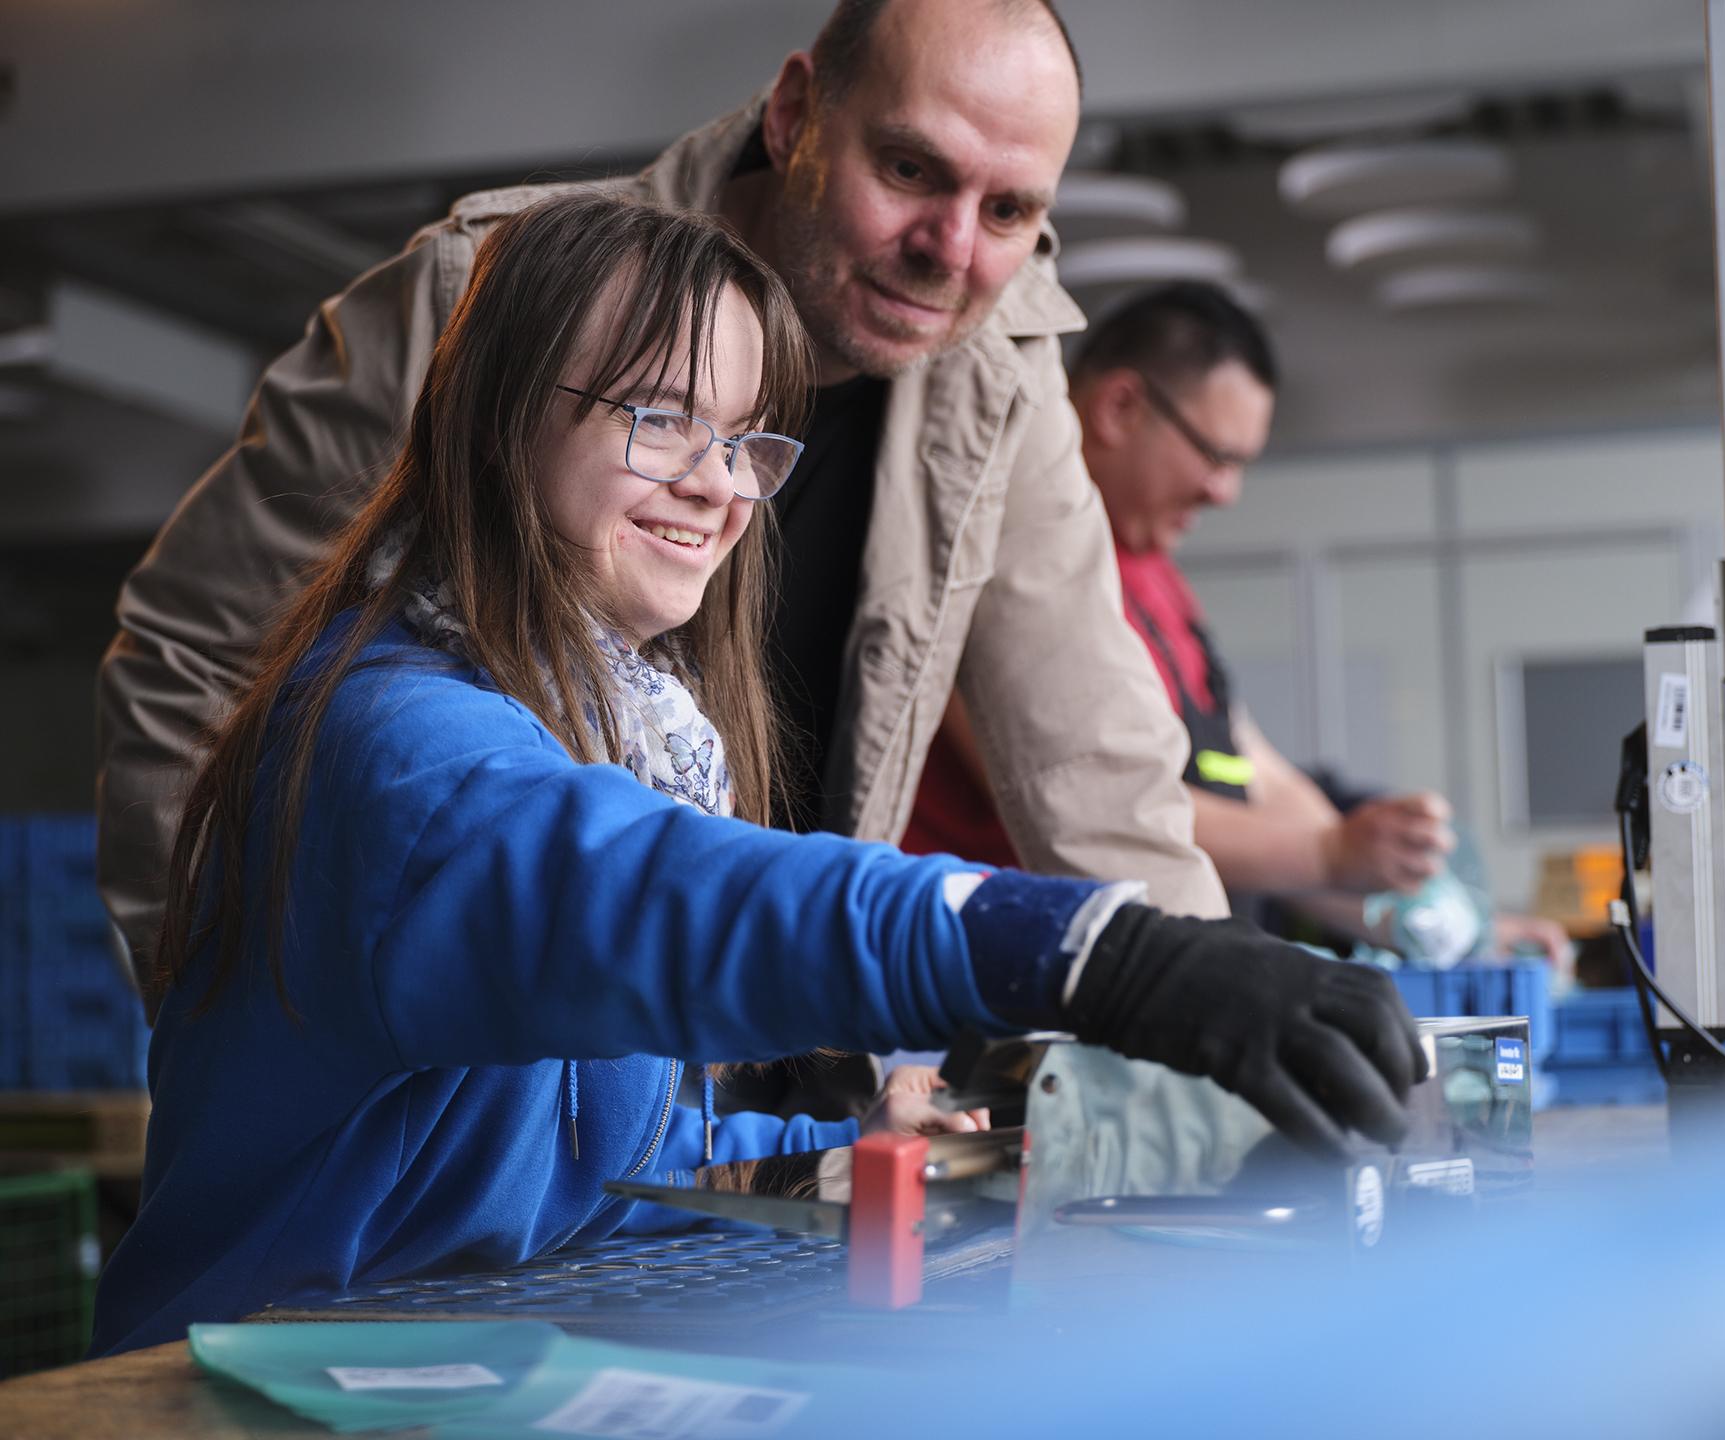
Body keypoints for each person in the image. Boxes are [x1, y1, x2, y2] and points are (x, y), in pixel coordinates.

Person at [89, 196, 1426, 1357]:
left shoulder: (618, 725)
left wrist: (866, 1160)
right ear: (497, 423)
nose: (720, 487)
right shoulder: (401, 756)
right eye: (661, 419)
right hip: (235, 1395)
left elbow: (610, 1176)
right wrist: (1098, 956)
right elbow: (677, 899)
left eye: (743, 440)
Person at [95, 0, 1228, 1048]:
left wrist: (1221, 1022)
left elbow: (1096, 765)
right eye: (908, 167)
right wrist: (227, 1025)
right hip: (476, 1081)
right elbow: (199, 659)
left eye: (1010, 210)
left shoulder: (995, 372)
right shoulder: (485, 295)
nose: (952, 247)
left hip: (742, 1092)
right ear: (796, 118)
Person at [905, 282, 1571, 966]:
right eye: (1215, 455)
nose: (1225, 492)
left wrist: (1424, 916)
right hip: (968, 979)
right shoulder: (992, 551)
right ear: (1120, 407)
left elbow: (1266, 779)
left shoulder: (1154, 576)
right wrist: (1328, 852)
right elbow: (1079, 799)